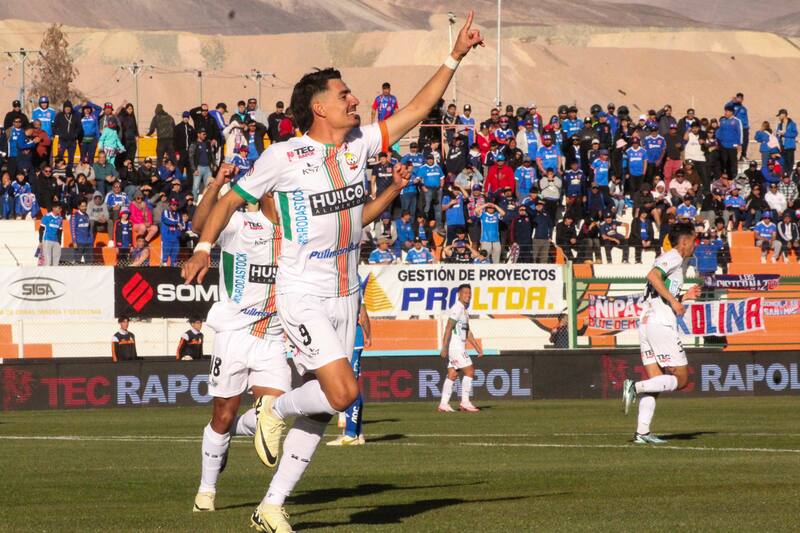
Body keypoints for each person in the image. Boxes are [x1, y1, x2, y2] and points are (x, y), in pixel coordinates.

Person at [180, 15, 483, 531]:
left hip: (347, 292)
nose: (354, 99)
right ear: (319, 107)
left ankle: (271, 506)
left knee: (323, 410)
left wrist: (454, 55)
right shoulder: (284, 156)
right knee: (345, 394)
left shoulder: (358, 144)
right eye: (344, 94)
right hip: (303, 291)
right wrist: (205, 246)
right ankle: (271, 412)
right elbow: (231, 199)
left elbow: (416, 110)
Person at [190, 167, 291, 513]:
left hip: (273, 337)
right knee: (223, 416)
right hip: (234, 332)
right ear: (267, 193)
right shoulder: (241, 224)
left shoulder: (297, 235)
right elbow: (199, 225)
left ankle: (253, 419)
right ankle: (206, 491)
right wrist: (216, 185)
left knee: (275, 411)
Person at [623, 223, 700, 443]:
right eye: (693, 240)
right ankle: (634, 387)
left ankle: (642, 433)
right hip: (661, 323)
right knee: (681, 379)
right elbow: (653, 276)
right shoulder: (674, 256)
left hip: (647, 322)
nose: (695, 245)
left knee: (657, 381)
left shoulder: (673, 261)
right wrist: (675, 302)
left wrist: (683, 297)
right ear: (684, 241)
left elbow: (659, 291)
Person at [328, 295, 371, 446]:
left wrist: (367, 335)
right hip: (348, 340)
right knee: (352, 385)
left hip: (350, 341)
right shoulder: (354, 284)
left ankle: (351, 434)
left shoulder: (348, 285)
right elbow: (363, 314)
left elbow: (363, 314)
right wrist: (368, 335)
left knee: (349, 385)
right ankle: (358, 433)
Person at [438, 284, 484, 413]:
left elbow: (467, 331)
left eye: (469, 293)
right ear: (459, 294)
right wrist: (444, 347)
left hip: (457, 347)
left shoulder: (464, 310)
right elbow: (448, 327)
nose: (468, 295)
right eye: (465, 293)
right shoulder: (457, 308)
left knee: (452, 374)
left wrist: (477, 347)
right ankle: (465, 402)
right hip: (456, 347)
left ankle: (443, 404)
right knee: (470, 371)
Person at [70, 199, 93, 264]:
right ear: (78, 206)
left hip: (88, 242)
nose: (84, 208)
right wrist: (74, 242)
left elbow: (89, 229)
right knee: (77, 262)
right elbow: (72, 229)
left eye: (85, 206)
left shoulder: (87, 215)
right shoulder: (75, 216)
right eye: (82, 206)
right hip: (79, 242)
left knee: (89, 262)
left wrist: (91, 240)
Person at [161, 198, 182, 266]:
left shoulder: (178, 214)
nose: (175, 206)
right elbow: (166, 220)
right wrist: (177, 222)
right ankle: (164, 268)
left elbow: (181, 224)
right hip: (167, 237)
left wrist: (179, 233)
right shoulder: (165, 212)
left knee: (175, 257)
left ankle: (174, 268)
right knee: (165, 257)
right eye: (173, 204)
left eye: (176, 205)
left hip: (175, 238)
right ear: (170, 205)